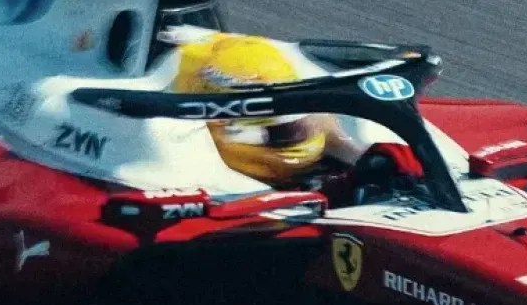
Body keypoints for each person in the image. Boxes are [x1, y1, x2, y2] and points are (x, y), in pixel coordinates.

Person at [171, 33, 422, 190]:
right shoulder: (189, 166)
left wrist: (370, 160)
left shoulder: (317, 124)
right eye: (284, 132)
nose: (304, 132)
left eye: (301, 119)